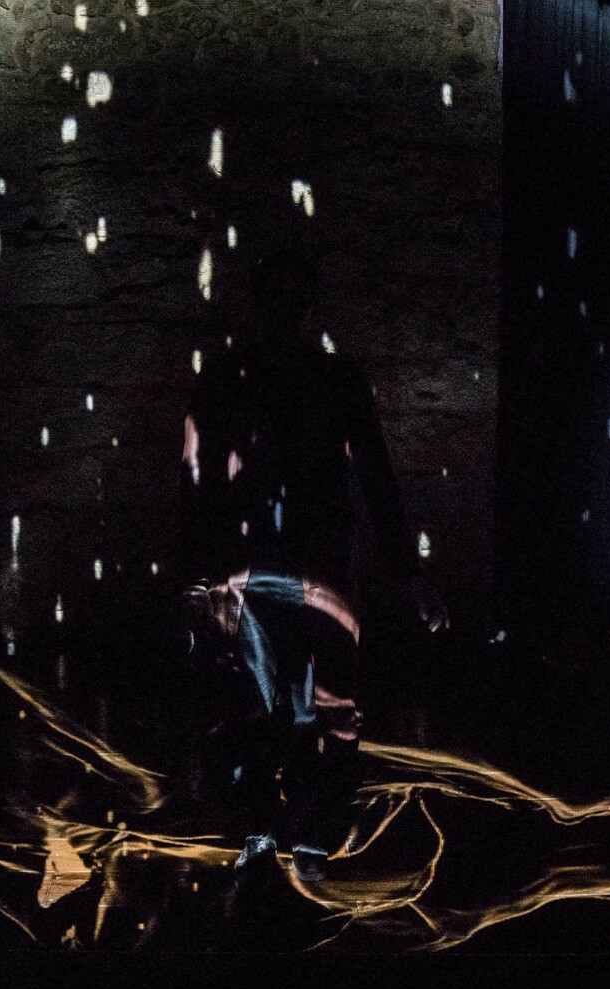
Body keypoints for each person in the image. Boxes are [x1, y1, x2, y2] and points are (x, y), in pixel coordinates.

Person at [179, 250, 445, 882]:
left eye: (292, 299)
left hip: (316, 565)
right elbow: (198, 477)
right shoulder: (227, 379)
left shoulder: (335, 380)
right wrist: (200, 575)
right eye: (278, 297)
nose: (286, 311)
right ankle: (265, 830)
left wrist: (410, 572)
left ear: (303, 307)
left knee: (328, 706)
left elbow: (375, 473)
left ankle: (312, 832)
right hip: (256, 568)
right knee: (254, 703)